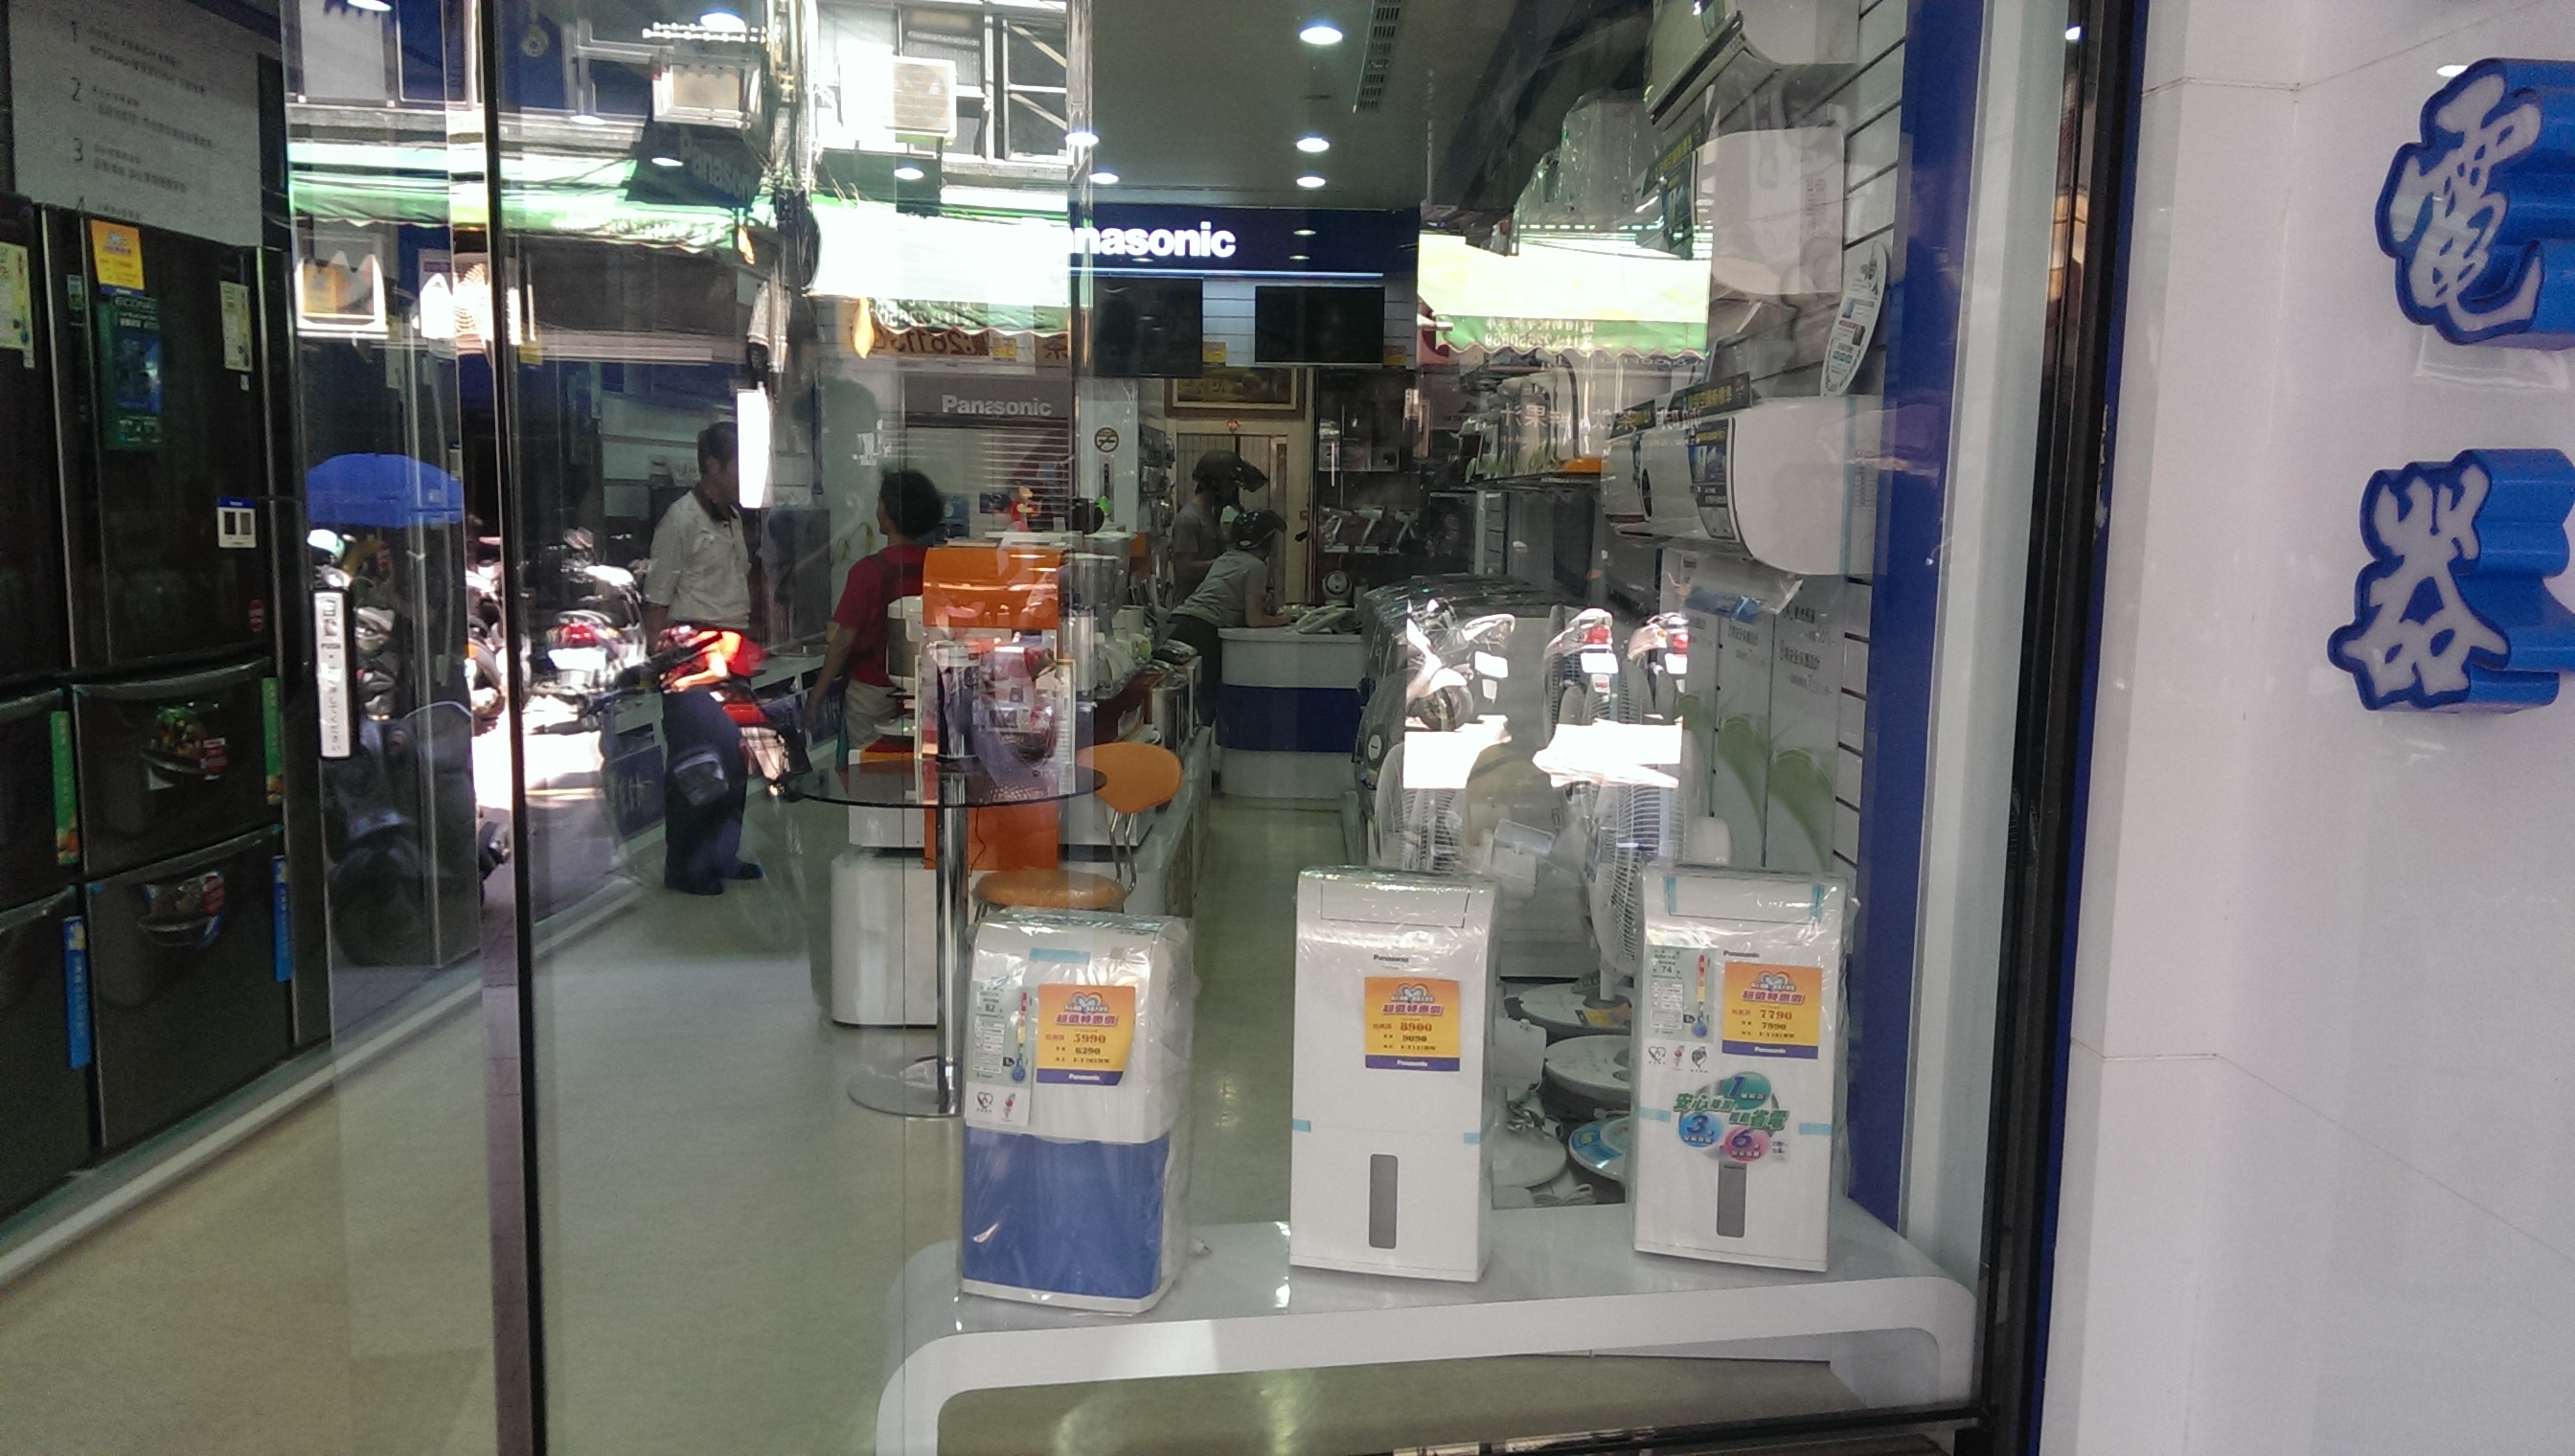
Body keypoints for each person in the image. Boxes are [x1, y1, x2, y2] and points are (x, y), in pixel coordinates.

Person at [643, 422, 759, 895]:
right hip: (691, 650)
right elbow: (656, 600)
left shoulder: (733, 518)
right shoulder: (680, 520)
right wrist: (664, 668)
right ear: (712, 466)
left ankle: (722, 855)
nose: (747, 476)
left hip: (732, 649)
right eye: (739, 465)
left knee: (735, 756)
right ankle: (687, 867)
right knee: (696, 762)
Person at [806, 469, 946, 756]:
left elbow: (843, 641)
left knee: (870, 767)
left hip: (872, 691)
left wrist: (816, 696)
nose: (877, 508)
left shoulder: (868, 571)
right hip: (929, 689)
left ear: (889, 512)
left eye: (881, 502)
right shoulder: (938, 567)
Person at [1163, 509, 1289, 721]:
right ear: (1267, 541)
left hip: (1178, 622)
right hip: (1203, 630)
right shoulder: (1256, 566)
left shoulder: (1224, 559)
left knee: (1181, 695)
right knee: (1206, 699)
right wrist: (1284, 619)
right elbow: (1254, 620)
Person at [1169, 450, 1266, 598]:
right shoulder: (1189, 519)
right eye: (1231, 485)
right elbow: (1186, 569)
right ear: (1217, 484)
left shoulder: (1210, 515)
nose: (1232, 491)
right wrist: (1230, 562)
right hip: (1194, 605)